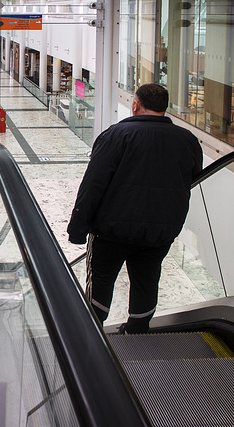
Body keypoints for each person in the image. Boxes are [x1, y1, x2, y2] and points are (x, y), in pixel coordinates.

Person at [67, 83, 203, 334]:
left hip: (111, 231)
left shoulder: (116, 135)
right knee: (147, 281)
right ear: (165, 108)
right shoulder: (188, 141)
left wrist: (78, 229)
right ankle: (137, 332)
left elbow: (93, 184)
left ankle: (90, 337)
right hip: (159, 233)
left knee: (100, 283)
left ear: (135, 104)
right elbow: (192, 177)